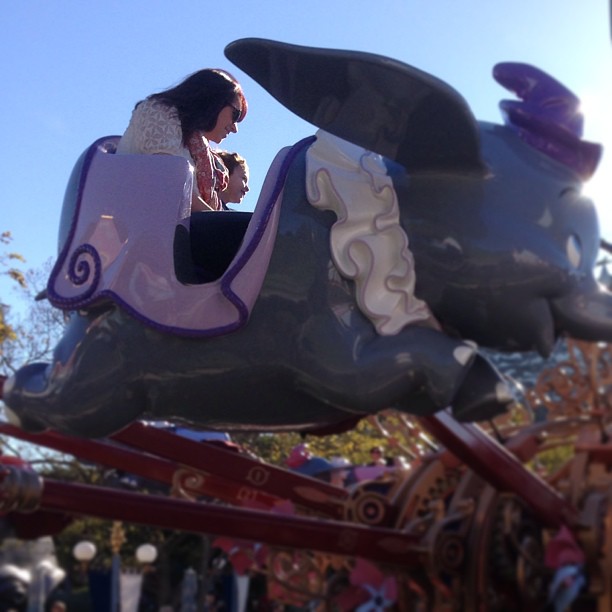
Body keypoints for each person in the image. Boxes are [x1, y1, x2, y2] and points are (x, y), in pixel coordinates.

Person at [116, 69, 247, 212]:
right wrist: (221, 225)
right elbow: (172, 184)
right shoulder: (158, 112)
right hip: (136, 223)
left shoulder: (196, 144)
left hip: (173, 226)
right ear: (213, 100)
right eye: (235, 114)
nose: (235, 128)